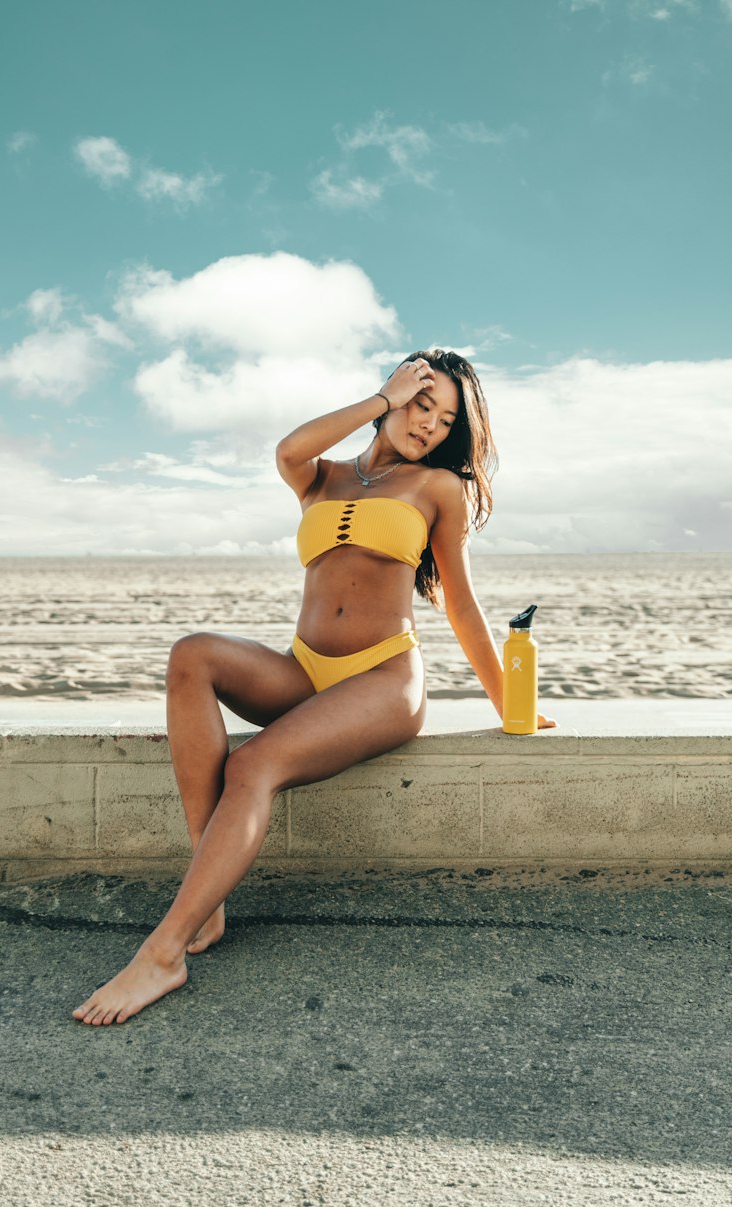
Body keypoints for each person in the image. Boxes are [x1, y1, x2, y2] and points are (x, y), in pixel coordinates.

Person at [73, 349, 556, 1026]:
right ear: (396, 394)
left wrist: (510, 703)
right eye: (423, 405)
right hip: (305, 668)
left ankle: (163, 953)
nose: (429, 427)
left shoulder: (436, 489)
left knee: (253, 764)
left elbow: (461, 607)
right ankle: (204, 901)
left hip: (384, 679)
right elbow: (288, 447)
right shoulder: (322, 479)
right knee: (192, 657)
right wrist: (380, 402)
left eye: (446, 420)